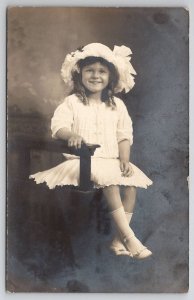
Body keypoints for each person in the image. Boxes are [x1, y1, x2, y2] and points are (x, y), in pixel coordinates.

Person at [30, 43, 153, 259]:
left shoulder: (117, 105)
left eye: (102, 71)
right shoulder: (73, 102)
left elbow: (124, 135)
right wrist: (72, 136)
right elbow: (59, 126)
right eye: (90, 71)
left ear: (110, 77)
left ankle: (117, 241)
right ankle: (131, 238)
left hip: (111, 159)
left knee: (131, 185)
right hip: (83, 161)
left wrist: (124, 158)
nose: (96, 76)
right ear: (80, 75)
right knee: (111, 182)